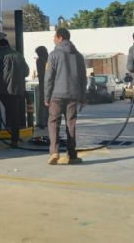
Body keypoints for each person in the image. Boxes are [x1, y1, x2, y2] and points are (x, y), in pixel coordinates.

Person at [43, 28, 86, 165]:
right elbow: (83, 78)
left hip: (57, 95)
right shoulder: (78, 55)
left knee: (53, 122)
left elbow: (48, 77)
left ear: (60, 37)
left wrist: (46, 96)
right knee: (71, 123)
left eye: (54, 37)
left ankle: (54, 152)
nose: (53, 39)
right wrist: (83, 96)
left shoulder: (54, 54)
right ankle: (72, 155)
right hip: (73, 94)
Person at [35, 46, 49, 129]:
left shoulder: (39, 60)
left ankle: (42, 122)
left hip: (43, 85)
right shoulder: (50, 59)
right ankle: (48, 121)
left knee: (42, 104)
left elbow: (41, 73)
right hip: (51, 85)